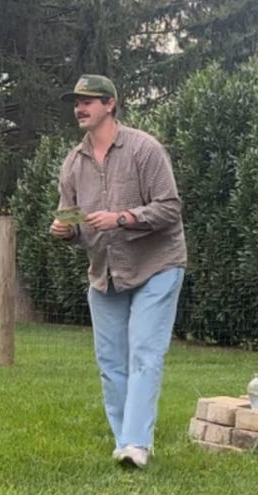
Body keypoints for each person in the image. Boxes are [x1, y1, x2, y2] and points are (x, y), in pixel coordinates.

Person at [49, 74, 186, 469]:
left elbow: (170, 207)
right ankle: (124, 441)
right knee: (110, 363)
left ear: (110, 104)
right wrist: (65, 231)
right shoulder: (73, 163)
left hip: (157, 265)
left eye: (88, 101)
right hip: (105, 274)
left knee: (144, 353)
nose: (80, 108)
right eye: (76, 102)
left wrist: (122, 218)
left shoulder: (145, 149)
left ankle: (136, 444)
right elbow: (73, 221)